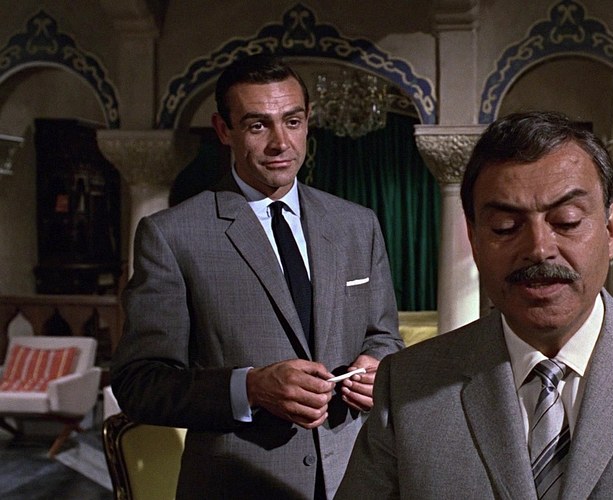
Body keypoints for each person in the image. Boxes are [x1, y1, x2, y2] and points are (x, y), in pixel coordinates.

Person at [336, 111, 613, 499]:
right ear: (473, 239)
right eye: (506, 226)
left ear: (611, 228)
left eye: (567, 221)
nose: (539, 248)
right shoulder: (409, 385)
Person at [111, 54, 403, 500]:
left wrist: (377, 369)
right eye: (257, 125)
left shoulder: (357, 224)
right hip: (238, 485)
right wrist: (249, 388)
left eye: (292, 121)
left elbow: (384, 338)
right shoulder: (172, 235)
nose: (280, 143)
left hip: (357, 479)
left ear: (308, 121)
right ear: (223, 129)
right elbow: (140, 383)